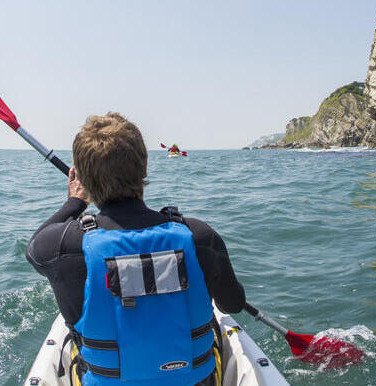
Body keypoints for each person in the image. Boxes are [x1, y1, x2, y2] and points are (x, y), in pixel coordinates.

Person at [26, 113, 245, 385]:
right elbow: (232, 304)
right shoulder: (200, 237)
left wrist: (75, 202)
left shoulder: (63, 246)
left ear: (81, 177)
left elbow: (33, 249)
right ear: (144, 167)